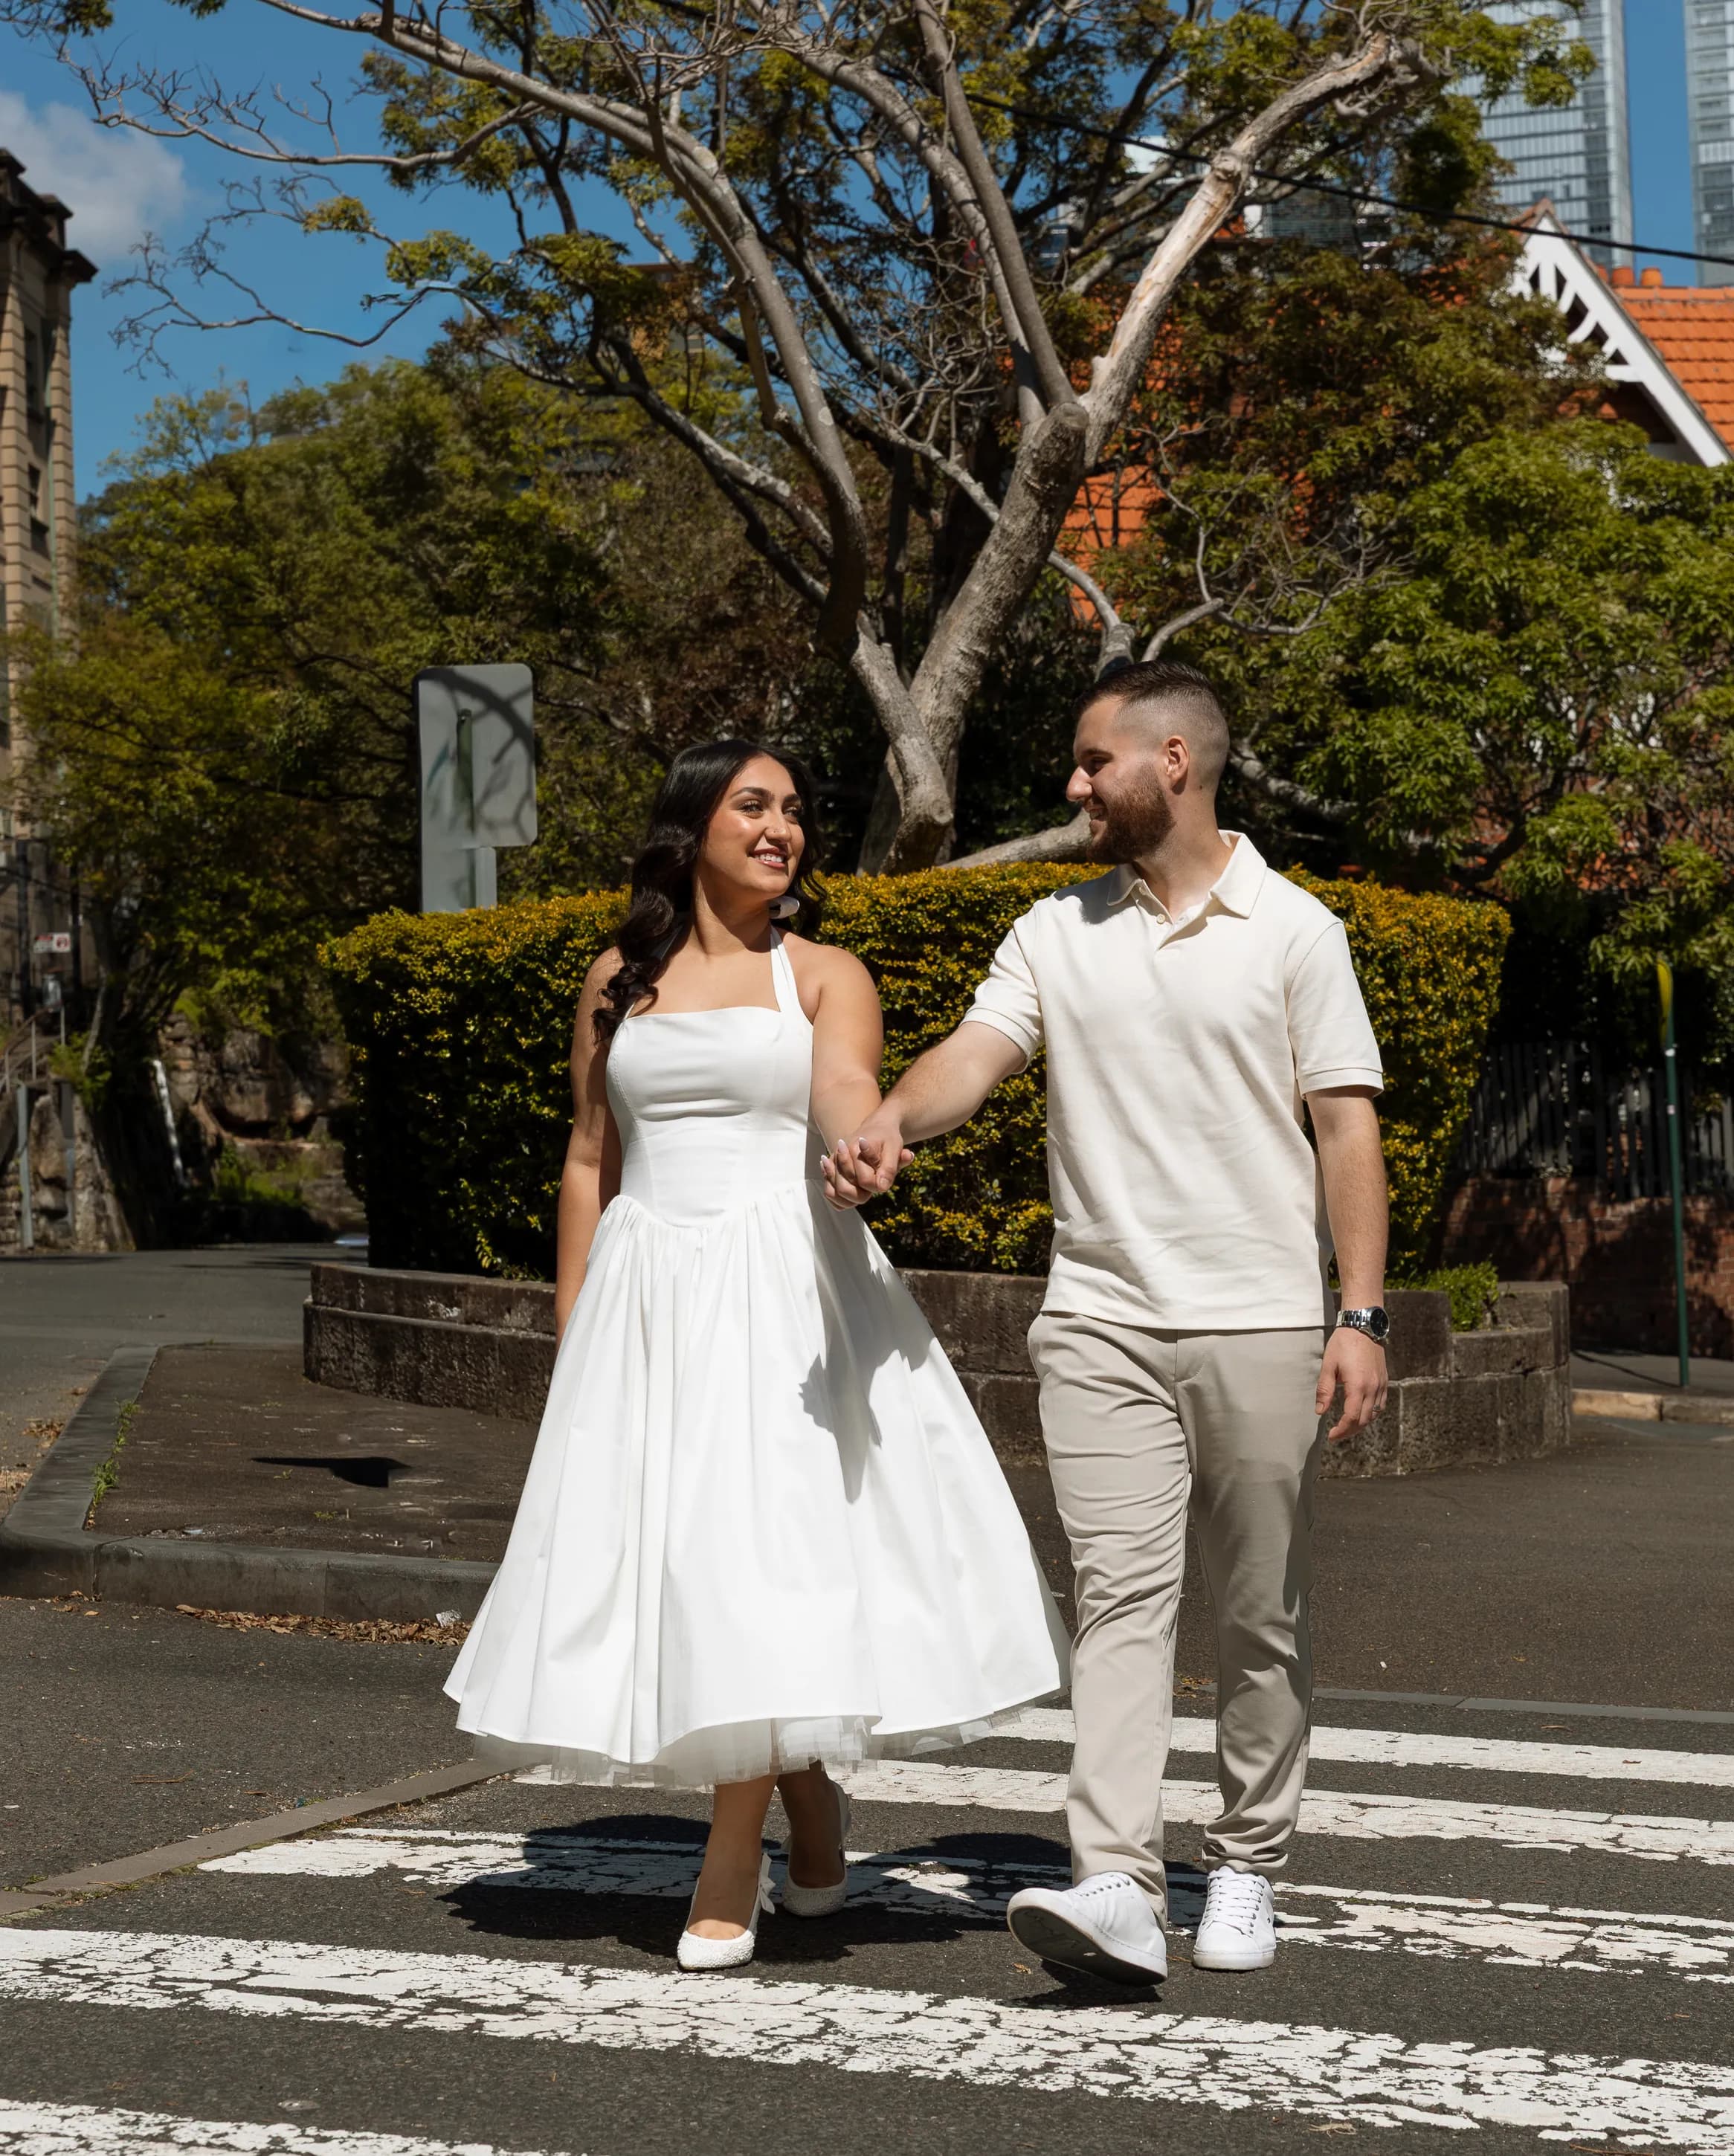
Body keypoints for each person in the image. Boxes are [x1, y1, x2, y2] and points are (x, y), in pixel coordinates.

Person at [446, 738, 1068, 1972]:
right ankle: (813, 1802)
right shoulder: (616, 976)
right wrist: (576, 1327)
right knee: (683, 1565)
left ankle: (732, 1856)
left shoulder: (826, 973)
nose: (782, 828)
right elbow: (587, 1158)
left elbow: (845, 1087)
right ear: (694, 827)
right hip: (645, 1294)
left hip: (781, 1289)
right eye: (754, 805)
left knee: (755, 1560)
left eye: (794, 811)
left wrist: (863, 1145)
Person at [824, 659, 1389, 1986]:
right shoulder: (1051, 933)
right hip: (1101, 1321)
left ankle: (1247, 1860)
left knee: (1259, 1612)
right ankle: (1118, 1884)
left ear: (1174, 764)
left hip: (1261, 1321)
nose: (1075, 788)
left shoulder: (1296, 929)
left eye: (1093, 764)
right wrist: (893, 1121)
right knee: (1121, 1602)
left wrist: (1357, 1312)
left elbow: (1345, 1127)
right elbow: (976, 1052)